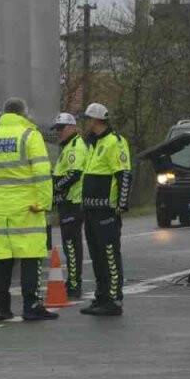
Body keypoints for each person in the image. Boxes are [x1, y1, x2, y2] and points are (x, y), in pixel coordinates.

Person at [0, 97, 58, 322]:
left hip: (0, 206)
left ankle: (2, 308)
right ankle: (31, 305)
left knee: (2, 258)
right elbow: (42, 174)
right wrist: (43, 203)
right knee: (30, 256)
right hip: (27, 206)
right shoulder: (30, 136)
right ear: (23, 114)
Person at [78, 102, 133, 316]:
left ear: (95, 120)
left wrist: (121, 204)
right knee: (96, 255)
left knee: (109, 253)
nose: (86, 124)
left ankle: (114, 299)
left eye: (88, 120)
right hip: (91, 209)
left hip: (106, 209)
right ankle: (101, 296)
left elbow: (124, 174)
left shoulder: (115, 142)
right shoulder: (93, 144)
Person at [51, 112, 89, 298]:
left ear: (73, 127)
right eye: (57, 129)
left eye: (62, 128)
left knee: (72, 246)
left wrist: (56, 188)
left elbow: (74, 174)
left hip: (73, 202)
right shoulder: (67, 146)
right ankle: (73, 282)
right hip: (67, 202)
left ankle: (74, 284)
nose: (59, 132)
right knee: (69, 246)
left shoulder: (75, 146)